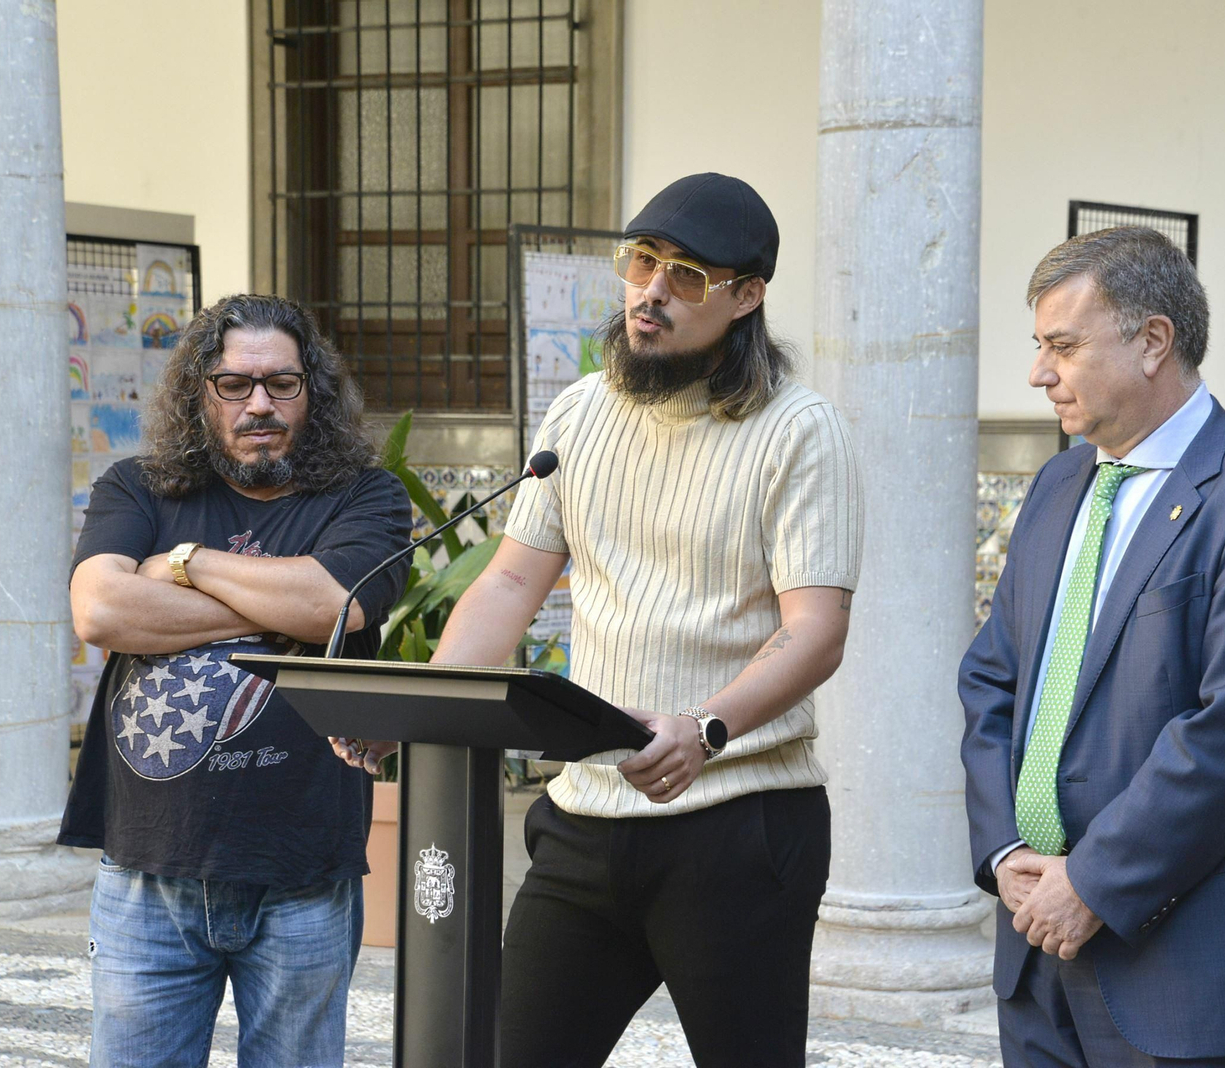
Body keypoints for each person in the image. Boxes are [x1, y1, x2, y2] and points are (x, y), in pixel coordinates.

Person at [334, 172, 864, 1067]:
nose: (652, 290)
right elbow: (509, 584)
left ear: (746, 296)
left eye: (687, 276)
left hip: (738, 825)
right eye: (642, 261)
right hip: (587, 816)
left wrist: (705, 728)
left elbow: (816, 629)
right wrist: (414, 708)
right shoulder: (580, 412)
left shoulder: (801, 430)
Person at [959, 227, 1225, 1067]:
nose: (1038, 373)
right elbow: (993, 679)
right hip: (1034, 957)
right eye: (1039, 347)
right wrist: (1008, 851)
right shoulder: (1061, 484)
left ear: (1152, 341)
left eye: (1062, 346)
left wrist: (1092, 883)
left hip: (1192, 972)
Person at [60, 294, 413, 1068]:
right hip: (148, 872)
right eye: (234, 384)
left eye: (282, 384)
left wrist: (187, 566)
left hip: (302, 874)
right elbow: (101, 609)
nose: (259, 403)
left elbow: (335, 603)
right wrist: (275, 615)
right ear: (199, 394)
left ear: (311, 393)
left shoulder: (367, 497)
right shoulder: (139, 487)